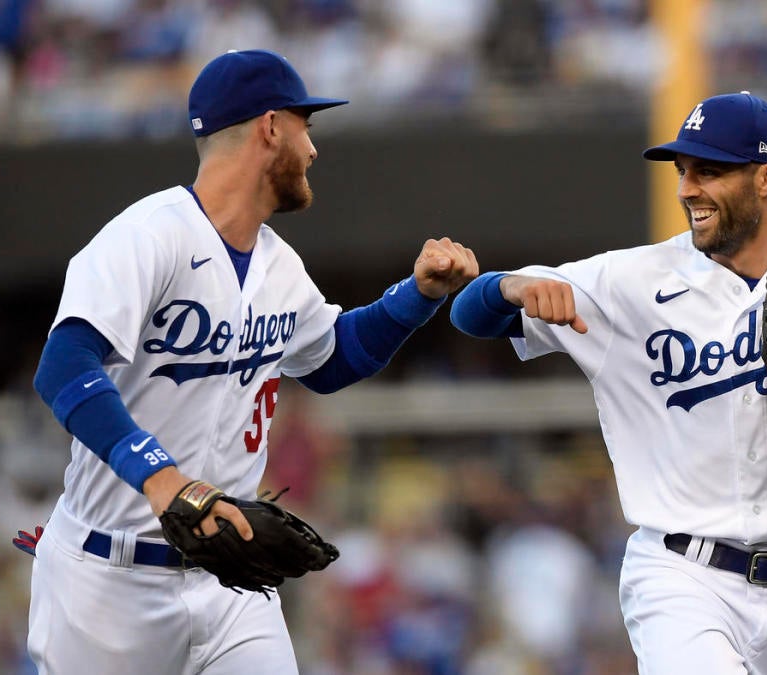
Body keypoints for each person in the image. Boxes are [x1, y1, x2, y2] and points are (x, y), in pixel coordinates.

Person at [449, 91, 767, 674]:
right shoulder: (629, 281)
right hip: (680, 575)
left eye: (708, 171)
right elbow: (471, 315)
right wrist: (507, 288)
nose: (687, 188)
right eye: (683, 170)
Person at [24, 49, 478, 674]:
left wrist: (418, 294)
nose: (313, 148)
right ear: (270, 127)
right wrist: (164, 479)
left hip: (230, 580)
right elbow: (63, 366)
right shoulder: (150, 235)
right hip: (108, 582)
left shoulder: (278, 264)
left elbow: (331, 359)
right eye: (305, 126)